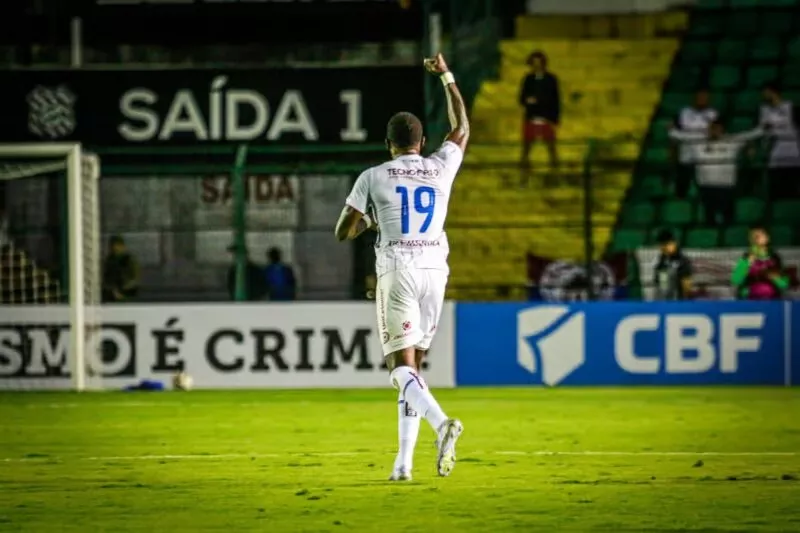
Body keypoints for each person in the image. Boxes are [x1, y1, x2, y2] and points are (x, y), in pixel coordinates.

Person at [334, 52, 467, 481]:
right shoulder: (440, 166)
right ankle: (403, 465)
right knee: (415, 369)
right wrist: (446, 75)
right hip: (436, 268)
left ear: (388, 144)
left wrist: (371, 220)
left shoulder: (373, 175)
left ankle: (442, 422)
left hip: (398, 268)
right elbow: (462, 127)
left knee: (399, 368)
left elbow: (343, 231)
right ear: (422, 141)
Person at [669, 118, 762, 225]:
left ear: (722, 130)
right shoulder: (698, 141)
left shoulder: (731, 141)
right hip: (706, 186)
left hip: (726, 186)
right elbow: (681, 136)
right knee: (709, 217)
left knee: (728, 218)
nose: (714, 131)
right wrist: (672, 130)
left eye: (717, 129)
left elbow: (749, 135)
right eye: (711, 129)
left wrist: (763, 129)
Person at [671, 89, 718, 199]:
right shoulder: (683, 113)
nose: (702, 100)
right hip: (685, 155)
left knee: (705, 189)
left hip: (705, 157)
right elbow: (674, 134)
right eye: (700, 97)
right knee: (682, 187)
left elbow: (717, 134)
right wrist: (672, 152)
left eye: (705, 97)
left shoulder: (714, 114)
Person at [519, 50, 560, 170]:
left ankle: (555, 172)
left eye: (539, 63)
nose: (536, 66)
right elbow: (521, 98)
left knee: (551, 148)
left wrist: (555, 119)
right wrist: (528, 101)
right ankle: (524, 173)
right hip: (531, 117)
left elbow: (556, 99)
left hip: (546, 117)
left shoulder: (551, 79)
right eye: (534, 63)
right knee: (526, 148)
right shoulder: (528, 79)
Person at [760, 82, 800, 199]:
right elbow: (761, 130)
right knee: (776, 189)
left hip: (793, 153)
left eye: (765, 92)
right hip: (775, 153)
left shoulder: (790, 108)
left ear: (773, 92)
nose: (763, 95)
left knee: (792, 189)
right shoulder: (764, 110)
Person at [731, 225, 789, 300]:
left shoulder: (775, 259)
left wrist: (775, 278)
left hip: (772, 301)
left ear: (767, 238)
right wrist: (747, 263)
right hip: (749, 300)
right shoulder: (746, 258)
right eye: (753, 236)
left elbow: (784, 285)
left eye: (760, 235)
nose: (756, 238)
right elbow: (735, 280)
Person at [652, 229, 692, 300]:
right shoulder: (660, 260)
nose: (664, 247)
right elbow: (660, 283)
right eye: (661, 244)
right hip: (662, 301)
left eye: (666, 244)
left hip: (678, 302)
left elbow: (686, 284)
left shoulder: (682, 260)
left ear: (674, 243)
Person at [102, 235, 139, 302]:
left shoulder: (129, 260)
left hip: (128, 293)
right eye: (112, 246)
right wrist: (112, 290)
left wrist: (123, 290)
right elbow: (106, 277)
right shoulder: (109, 260)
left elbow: (135, 279)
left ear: (123, 246)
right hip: (112, 295)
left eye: (118, 245)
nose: (115, 248)